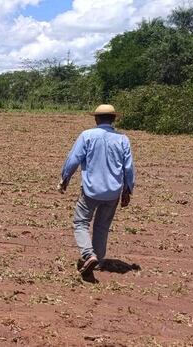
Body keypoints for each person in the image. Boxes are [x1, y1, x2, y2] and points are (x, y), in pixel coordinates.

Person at [58, 104, 135, 276]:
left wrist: (65, 178)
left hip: (91, 190)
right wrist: (128, 190)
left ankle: (88, 254)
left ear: (96, 119)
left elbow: (73, 159)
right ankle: (98, 261)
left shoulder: (87, 135)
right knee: (102, 226)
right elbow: (128, 168)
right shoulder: (123, 139)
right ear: (114, 119)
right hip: (113, 192)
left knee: (80, 222)